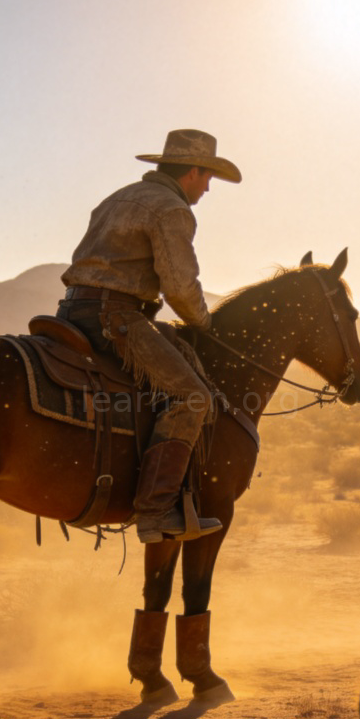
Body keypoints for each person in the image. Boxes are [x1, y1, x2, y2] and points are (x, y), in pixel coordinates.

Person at [58, 129, 242, 543]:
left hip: (73, 310)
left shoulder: (116, 198)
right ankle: (156, 510)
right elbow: (178, 285)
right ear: (192, 171)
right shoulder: (171, 208)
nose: (208, 187)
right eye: (208, 177)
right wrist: (204, 323)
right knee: (192, 396)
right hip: (116, 318)